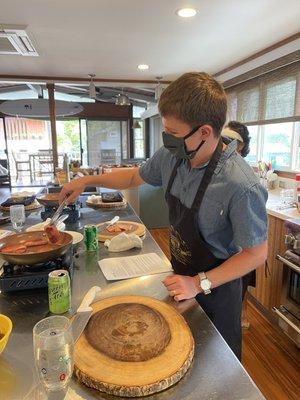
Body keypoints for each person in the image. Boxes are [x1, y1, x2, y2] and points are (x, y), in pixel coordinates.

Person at [59, 72, 268, 359]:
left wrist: (198, 283)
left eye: (173, 133)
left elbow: (256, 254)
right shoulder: (174, 156)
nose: (167, 139)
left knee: (212, 368)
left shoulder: (241, 184)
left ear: (205, 131)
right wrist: (85, 180)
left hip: (215, 292)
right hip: (179, 277)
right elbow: (133, 176)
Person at [221, 121, 255, 328]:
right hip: (227, 234)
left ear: (241, 146)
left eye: (231, 140)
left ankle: (240, 313)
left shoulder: (243, 173)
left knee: (242, 278)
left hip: (242, 238)